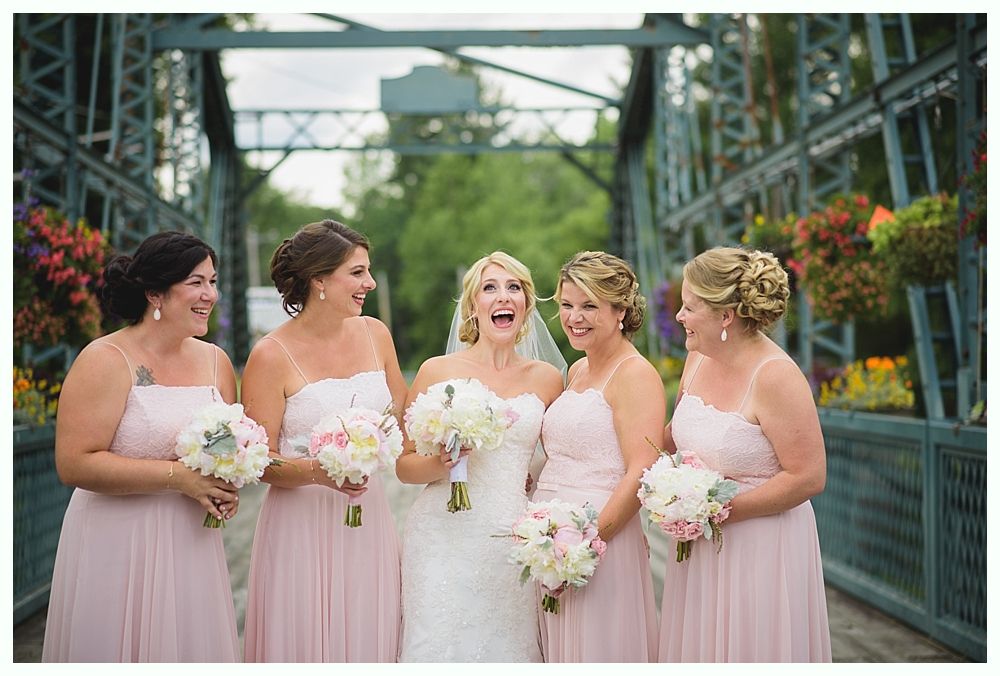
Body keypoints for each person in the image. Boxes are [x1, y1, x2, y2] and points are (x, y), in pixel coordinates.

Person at [42, 231, 241, 662]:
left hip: (191, 540)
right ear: (155, 293)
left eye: (213, 280)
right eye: (196, 282)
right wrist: (180, 478)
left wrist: (226, 480)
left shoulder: (215, 361)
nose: (210, 294)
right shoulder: (105, 359)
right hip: (118, 539)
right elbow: (74, 463)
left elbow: (224, 439)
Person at [241, 219, 408, 662]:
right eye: (357, 273)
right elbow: (257, 461)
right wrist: (320, 471)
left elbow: (404, 424)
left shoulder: (376, 334)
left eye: (368, 272)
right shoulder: (270, 355)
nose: (369, 283)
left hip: (368, 516)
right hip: (301, 523)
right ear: (319, 280)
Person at [658, 246, 831, 662]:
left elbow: (808, 476)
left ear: (725, 316)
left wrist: (719, 511)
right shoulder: (697, 357)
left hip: (762, 548)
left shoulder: (776, 376)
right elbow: (673, 437)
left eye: (688, 307)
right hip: (699, 545)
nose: (679, 317)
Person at [396, 251, 565, 662]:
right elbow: (403, 465)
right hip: (441, 536)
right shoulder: (436, 371)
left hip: (511, 537)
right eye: (489, 288)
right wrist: (444, 463)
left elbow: (561, 455)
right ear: (473, 306)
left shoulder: (548, 379)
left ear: (525, 304)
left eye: (514, 288)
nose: (502, 297)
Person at [535, 250, 662, 662]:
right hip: (551, 544)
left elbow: (641, 469)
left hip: (597, 543)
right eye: (567, 305)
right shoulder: (577, 370)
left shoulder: (635, 375)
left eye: (590, 306)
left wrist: (586, 545)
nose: (574, 317)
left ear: (620, 310)